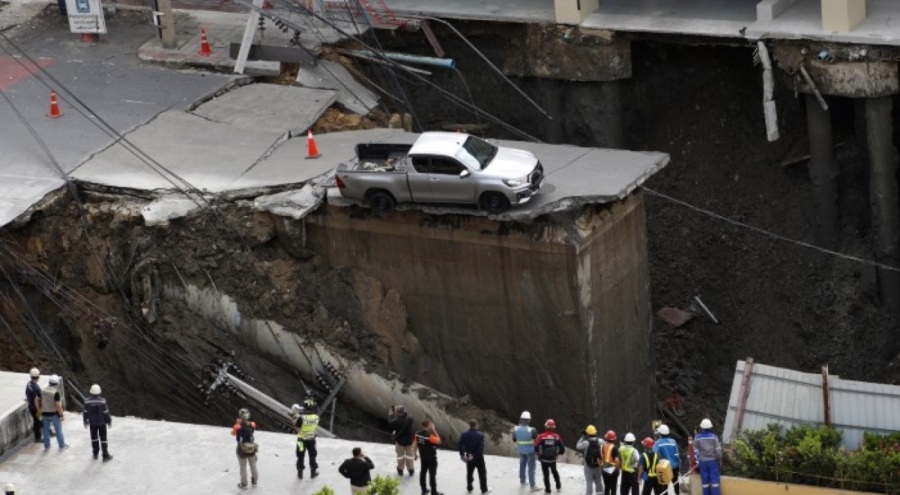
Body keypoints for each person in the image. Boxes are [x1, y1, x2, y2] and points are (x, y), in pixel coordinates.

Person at [458, 419, 491, 494]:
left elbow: (460, 445)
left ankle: (469, 487)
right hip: (478, 457)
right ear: (476, 425)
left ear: (469, 425)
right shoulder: (480, 435)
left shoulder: (464, 434)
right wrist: (474, 455)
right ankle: (484, 489)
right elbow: (480, 448)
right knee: (482, 473)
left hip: (468, 456)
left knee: (469, 473)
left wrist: (462, 455)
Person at [82, 384, 113, 461]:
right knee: (103, 439)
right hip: (102, 423)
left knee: (94, 438)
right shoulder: (102, 401)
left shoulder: (87, 401)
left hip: (92, 423)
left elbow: (85, 412)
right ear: (99, 392)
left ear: (91, 392)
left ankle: (95, 453)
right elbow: (106, 412)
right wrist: (109, 421)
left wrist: (85, 421)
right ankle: (105, 456)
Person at [534, 419, 565, 494]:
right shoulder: (556, 436)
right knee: (554, 472)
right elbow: (562, 447)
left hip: (544, 459)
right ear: (554, 427)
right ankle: (558, 486)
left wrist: (538, 454)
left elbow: (535, 446)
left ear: (546, 426)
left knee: (546, 475)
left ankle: (548, 490)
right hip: (552, 459)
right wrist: (559, 454)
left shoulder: (541, 436)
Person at [231, 408, 259, 489]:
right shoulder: (253, 424)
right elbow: (251, 431)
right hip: (251, 448)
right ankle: (254, 480)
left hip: (241, 448)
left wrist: (238, 424)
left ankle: (244, 483)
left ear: (240, 416)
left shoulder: (237, 426)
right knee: (253, 465)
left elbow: (233, 434)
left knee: (243, 467)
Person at [38, 374, 67, 451]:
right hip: (54, 414)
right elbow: (58, 405)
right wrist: (61, 415)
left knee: (46, 430)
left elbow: (36, 400)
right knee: (58, 430)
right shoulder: (55, 393)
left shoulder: (42, 390)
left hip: (44, 414)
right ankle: (62, 446)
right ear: (56, 383)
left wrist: (39, 409)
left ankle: (47, 446)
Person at [694, 419, 722, 495]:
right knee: (715, 481)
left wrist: (697, 462)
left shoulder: (697, 437)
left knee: (705, 482)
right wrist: (719, 458)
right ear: (710, 427)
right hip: (713, 461)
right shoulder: (714, 437)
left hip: (702, 462)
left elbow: (695, 451)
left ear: (701, 427)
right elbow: (718, 450)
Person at [512, 411, 539, 491]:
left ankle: (523, 481)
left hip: (521, 450)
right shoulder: (532, 430)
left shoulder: (515, 429)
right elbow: (536, 439)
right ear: (529, 420)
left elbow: (514, 439)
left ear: (521, 419)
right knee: (531, 468)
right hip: (530, 451)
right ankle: (532, 486)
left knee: (522, 465)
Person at [415, 418, 443, 495]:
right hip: (431, 458)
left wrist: (415, 453)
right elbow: (439, 441)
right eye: (431, 424)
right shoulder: (430, 436)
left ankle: (423, 490)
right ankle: (434, 492)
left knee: (423, 473)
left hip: (423, 457)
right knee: (432, 475)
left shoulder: (417, 433)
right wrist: (434, 430)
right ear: (429, 425)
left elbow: (415, 444)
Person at [576, 424, 604, 495]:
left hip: (588, 466)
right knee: (598, 481)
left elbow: (578, 446)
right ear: (595, 432)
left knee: (589, 482)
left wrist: (583, 436)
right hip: (597, 465)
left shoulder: (586, 443)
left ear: (587, 433)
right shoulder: (600, 441)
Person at [295, 398, 320, 479]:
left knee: (300, 456)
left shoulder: (301, 418)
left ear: (305, 408)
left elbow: (297, 429)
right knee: (312, 455)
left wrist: (294, 419)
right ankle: (313, 472)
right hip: (311, 440)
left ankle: (300, 473)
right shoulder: (316, 417)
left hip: (301, 440)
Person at [653, 425, 681, 495]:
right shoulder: (673, 441)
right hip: (674, 466)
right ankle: (677, 493)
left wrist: (660, 459)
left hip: (664, 467)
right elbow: (677, 454)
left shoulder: (658, 443)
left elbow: (655, 453)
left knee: (664, 485)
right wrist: (679, 464)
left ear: (660, 433)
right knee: (675, 482)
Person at [389, 404, 416, 476]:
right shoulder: (410, 419)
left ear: (397, 412)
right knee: (409, 456)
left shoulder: (396, 421)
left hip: (400, 441)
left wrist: (391, 415)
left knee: (400, 456)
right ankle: (410, 470)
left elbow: (391, 424)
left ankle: (400, 470)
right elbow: (404, 417)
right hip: (409, 441)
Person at [25, 368, 42, 443]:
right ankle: (37, 437)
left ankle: (48, 430)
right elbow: (37, 400)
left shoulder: (29, 384)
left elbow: (27, 393)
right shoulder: (37, 388)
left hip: (31, 406)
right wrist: (39, 410)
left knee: (40, 420)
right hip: (35, 409)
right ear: (38, 376)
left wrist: (28, 398)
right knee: (38, 421)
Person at [600, 431, 620, 495]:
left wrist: (601, 467)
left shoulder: (602, 446)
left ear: (606, 438)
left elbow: (599, 458)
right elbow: (617, 460)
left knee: (607, 487)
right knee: (613, 488)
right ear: (614, 439)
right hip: (613, 470)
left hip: (604, 469)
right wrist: (618, 470)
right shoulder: (614, 448)